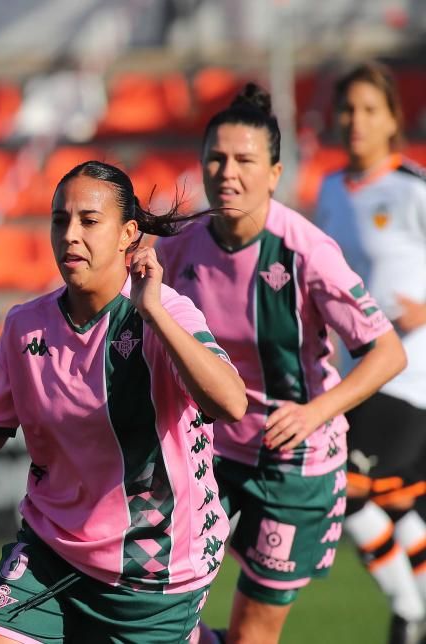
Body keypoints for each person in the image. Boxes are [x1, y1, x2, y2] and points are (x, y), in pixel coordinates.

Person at [0, 160, 248, 644]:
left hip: (155, 568)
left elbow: (231, 403)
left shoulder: (164, 311)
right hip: (53, 552)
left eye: (89, 221)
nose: (70, 235)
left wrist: (151, 309)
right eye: (59, 220)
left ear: (127, 233)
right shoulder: (25, 325)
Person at [154, 83, 407, 644]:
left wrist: (316, 413)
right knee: (155, 613)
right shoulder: (180, 246)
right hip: (211, 454)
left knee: (252, 636)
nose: (227, 172)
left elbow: (387, 352)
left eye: (245, 160)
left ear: (273, 172)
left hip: (295, 463)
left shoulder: (306, 252)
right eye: (216, 159)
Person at [315, 61, 426, 643]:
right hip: (357, 375)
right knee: (400, 505)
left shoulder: (413, 188)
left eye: (368, 109)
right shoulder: (330, 189)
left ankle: (408, 613)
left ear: (392, 120)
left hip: (410, 377)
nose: (355, 121)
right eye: (348, 109)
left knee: (343, 488)